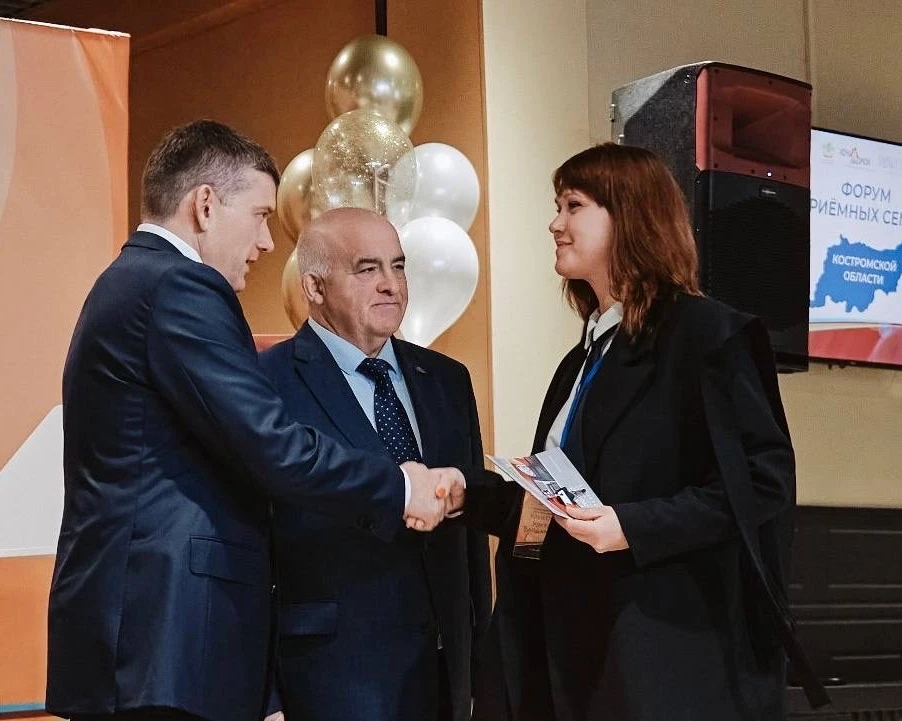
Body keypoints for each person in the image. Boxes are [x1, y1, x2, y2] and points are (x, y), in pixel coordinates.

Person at [46, 120, 457, 721]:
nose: (266, 242)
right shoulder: (179, 285)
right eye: (260, 215)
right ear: (205, 205)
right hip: (162, 635)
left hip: (138, 631)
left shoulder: (131, 281)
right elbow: (272, 445)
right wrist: (399, 485)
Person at [475, 143, 827, 721]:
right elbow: (559, 506)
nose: (555, 224)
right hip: (571, 651)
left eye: (573, 205)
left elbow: (759, 486)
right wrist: (468, 496)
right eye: (558, 207)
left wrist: (631, 527)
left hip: (666, 657)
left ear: (630, 217)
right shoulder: (581, 359)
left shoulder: (708, 334)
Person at [256, 207, 507, 721]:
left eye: (398, 266)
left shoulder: (446, 379)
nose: (391, 284)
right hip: (328, 683)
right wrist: (264, 698)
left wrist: (480, 665)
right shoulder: (265, 383)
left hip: (444, 680)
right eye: (367, 269)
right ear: (315, 286)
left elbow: (468, 543)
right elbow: (245, 543)